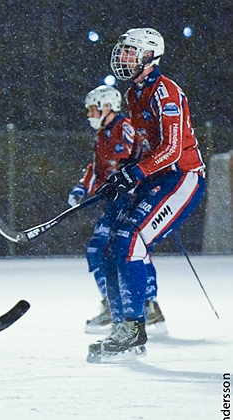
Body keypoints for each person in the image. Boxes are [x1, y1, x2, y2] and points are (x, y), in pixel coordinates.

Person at [87, 28, 206, 363]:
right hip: (158, 178)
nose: (122, 57)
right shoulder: (133, 93)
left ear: (149, 55)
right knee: (111, 243)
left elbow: (171, 149)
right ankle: (123, 325)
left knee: (130, 237)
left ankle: (135, 328)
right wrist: (127, 168)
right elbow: (144, 144)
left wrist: (136, 172)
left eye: (129, 51)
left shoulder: (165, 91)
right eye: (122, 51)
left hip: (183, 177)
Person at [68, 85, 166, 335]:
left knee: (126, 248)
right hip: (116, 200)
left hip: (131, 199)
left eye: (93, 108)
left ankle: (143, 306)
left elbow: (134, 163)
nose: (90, 114)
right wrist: (83, 187)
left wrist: (132, 188)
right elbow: (97, 169)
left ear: (108, 107)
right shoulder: (103, 134)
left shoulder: (126, 128)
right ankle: (123, 305)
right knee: (105, 250)